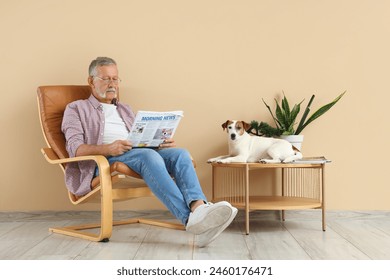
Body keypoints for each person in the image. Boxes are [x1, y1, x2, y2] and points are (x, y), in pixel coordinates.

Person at [61, 57, 237, 247]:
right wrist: (108, 148)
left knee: (181, 154)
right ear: (91, 81)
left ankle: (199, 209)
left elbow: (138, 141)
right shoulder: (76, 108)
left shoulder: (124, 109)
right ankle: (189, 219)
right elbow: (74, 148)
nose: (112, 84)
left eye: (115, 79)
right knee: (148, 156)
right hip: (104, 161)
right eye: (106, 79)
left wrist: (158, 142)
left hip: (136, 154)